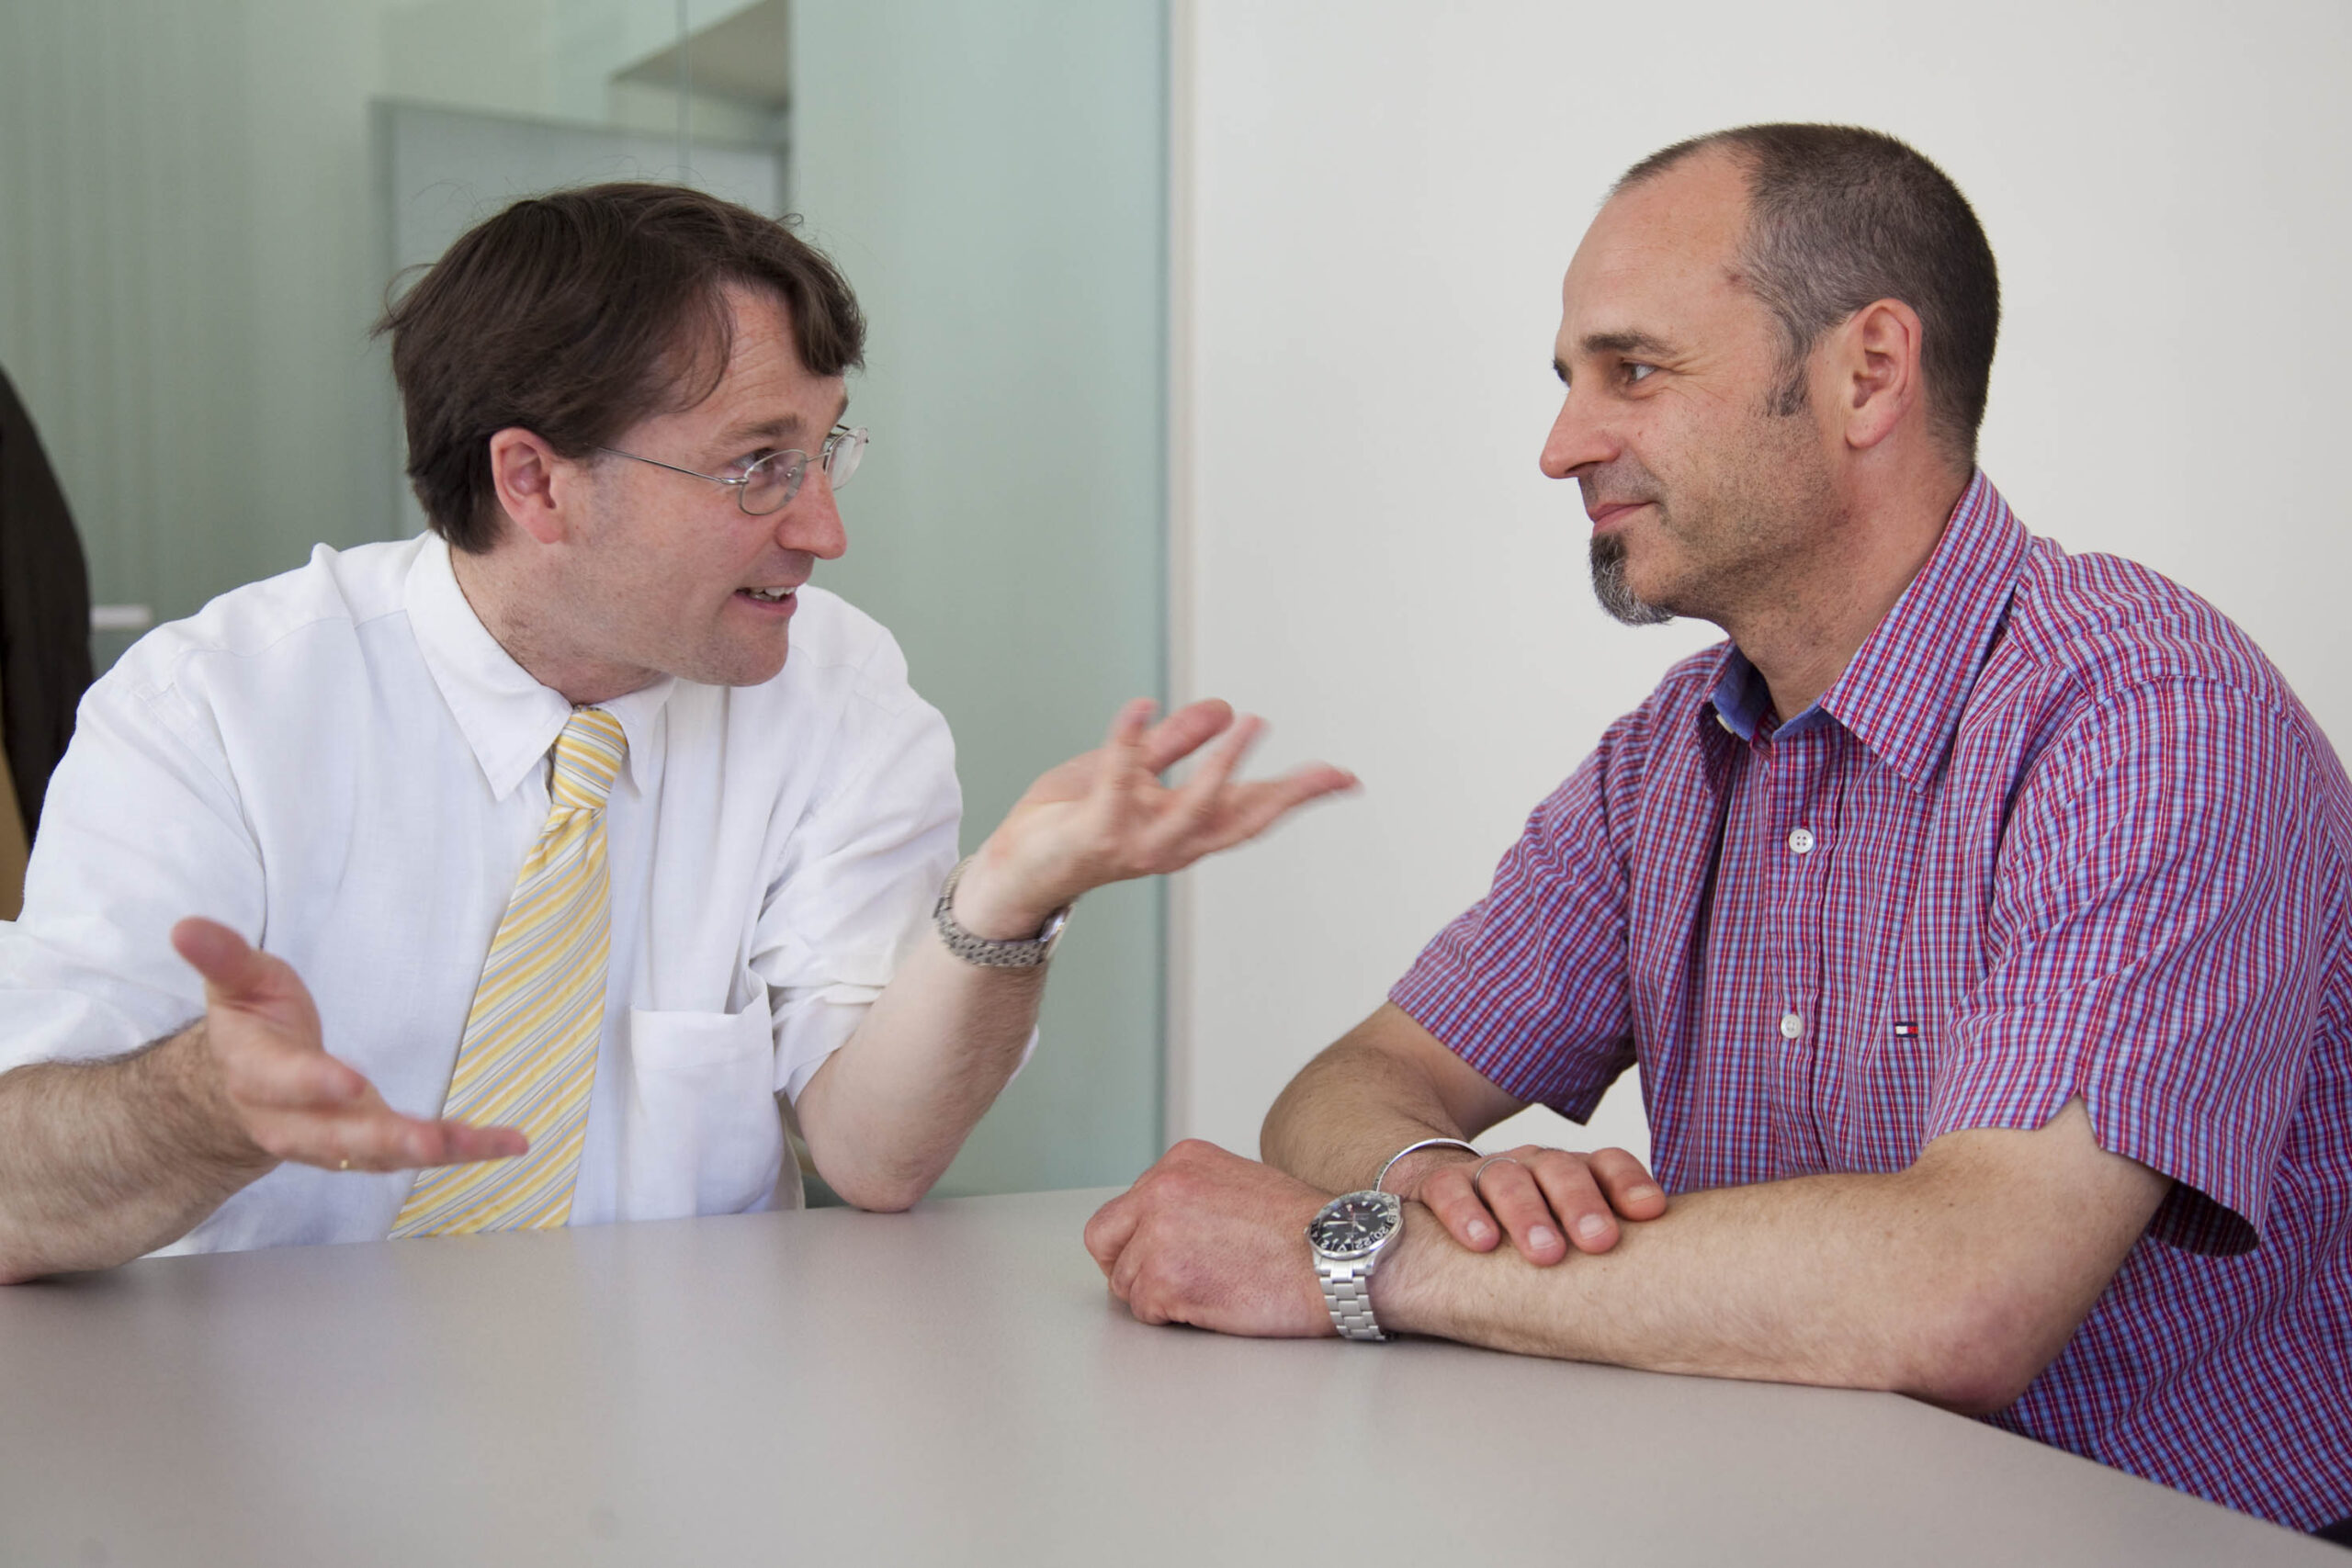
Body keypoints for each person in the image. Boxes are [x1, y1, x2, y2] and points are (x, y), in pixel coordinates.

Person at [1083, 125, 2352, 1540]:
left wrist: (1359, 1259)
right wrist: (1443, 1187)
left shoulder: (2149, 715)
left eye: (1634, 370)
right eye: (1569, 381)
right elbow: (1354, 1085)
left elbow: (1965, 1290)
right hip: (1773, 1518)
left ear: (1867, 373)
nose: (1563, 446)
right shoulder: (1665, 761)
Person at [0, 183, 1351, 1278]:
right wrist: (197, 1103)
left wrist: (1006, 899)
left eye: (828, 452)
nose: (824, 528)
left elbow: (873, 1159)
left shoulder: (836, 690)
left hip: (690, 1426)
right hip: (246, 1434)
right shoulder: (218, 708)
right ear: (534, 480)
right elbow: (16, 1197)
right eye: (758, 464)